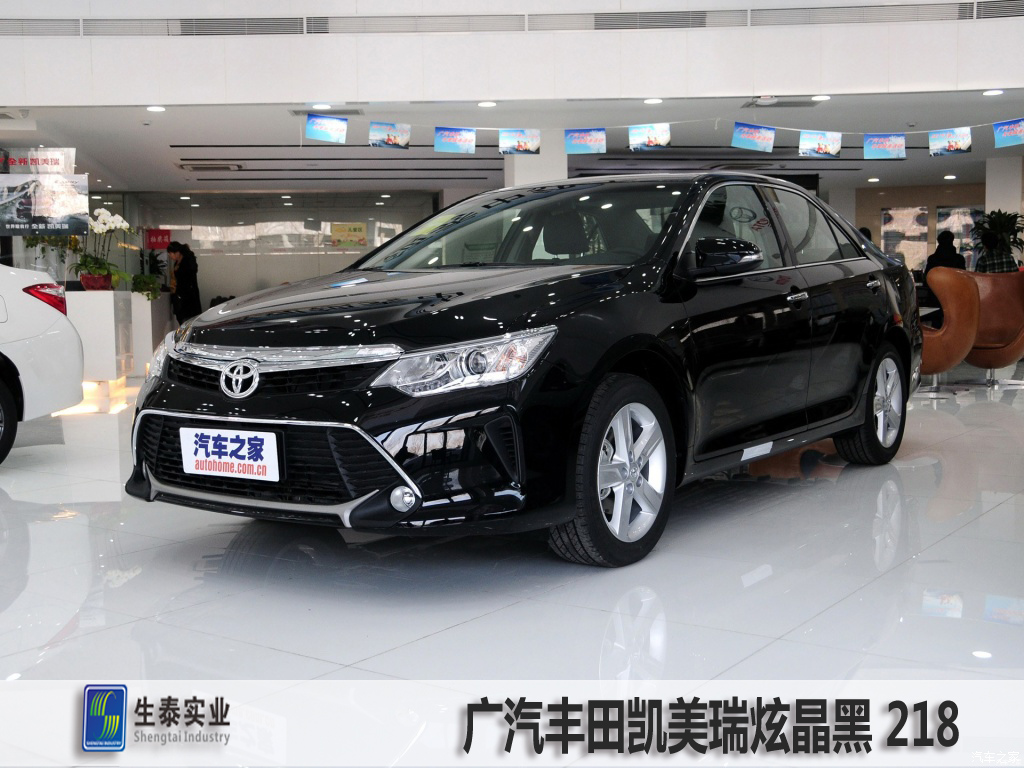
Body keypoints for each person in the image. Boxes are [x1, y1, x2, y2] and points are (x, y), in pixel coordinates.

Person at [167, 241, 202, 323]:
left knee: (189, 319)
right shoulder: (177, 262)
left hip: (189, 296)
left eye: (171, 253)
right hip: (180, 295)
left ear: (177, 252)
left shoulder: (188, 261)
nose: (170, 256)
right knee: (181, 318)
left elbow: (188, 278)